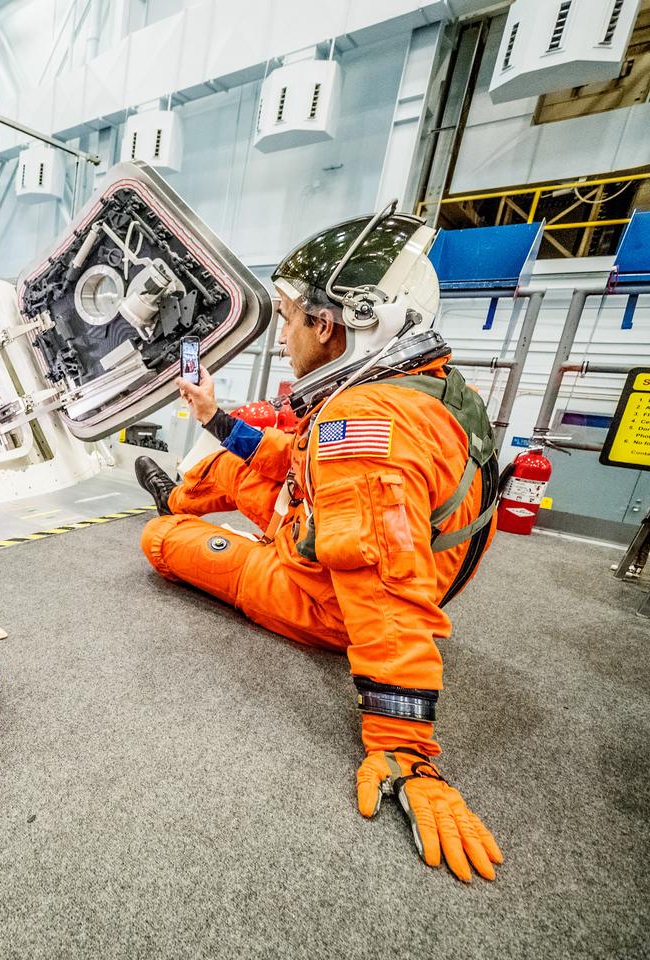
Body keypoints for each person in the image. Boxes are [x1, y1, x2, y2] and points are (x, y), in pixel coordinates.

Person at [135, 203, 504, 883]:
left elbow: (387, 593)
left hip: (325, 598)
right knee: (232, 461)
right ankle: (177, 494)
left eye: (287, 316)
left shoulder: (363, 427)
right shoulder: (422, 385)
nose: (283, 335)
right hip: (321, 532)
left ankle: (170, 515)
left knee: (161, 542)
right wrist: (214, 416)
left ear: (330, 323)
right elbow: (298, 455)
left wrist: (404, 750)